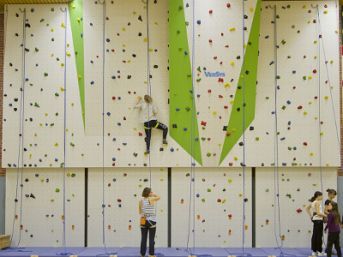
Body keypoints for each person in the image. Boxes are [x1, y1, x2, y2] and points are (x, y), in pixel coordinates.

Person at [139, 187, 160, 257]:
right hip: (151, 221)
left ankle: (142, 254)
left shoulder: (141, 200)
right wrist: (153, 194)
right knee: (151, 239)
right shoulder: (151, 198)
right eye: (150, 192)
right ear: (149, 193)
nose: (151, 193)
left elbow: (140, 211)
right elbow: (159, 197)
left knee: (143, 238)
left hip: (143, 220)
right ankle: (151, 254)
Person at [306, 191, 327, 256]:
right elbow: (318, 213)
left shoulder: (313, 202)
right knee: (318, 236)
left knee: (315, 235)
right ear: (318, 196)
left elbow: (307, 208)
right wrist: (326, 216)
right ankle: (319, 251)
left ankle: (314, 251)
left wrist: (311, 216)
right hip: (318, 220)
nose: (322, 197)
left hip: (315, 220)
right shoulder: (317, 202)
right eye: (321, 195)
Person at [324, 189, 337, 254]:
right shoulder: (327, 201)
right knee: (331, 234)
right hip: (330, 218)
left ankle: (329, 249)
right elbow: (325, 210)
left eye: (335, 194)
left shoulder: (332, 201)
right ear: (330, 194)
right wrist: (331, 215)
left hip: (333, 219)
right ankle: (328, 249)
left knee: (332, 234)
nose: (334, 195)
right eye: (334, 194)